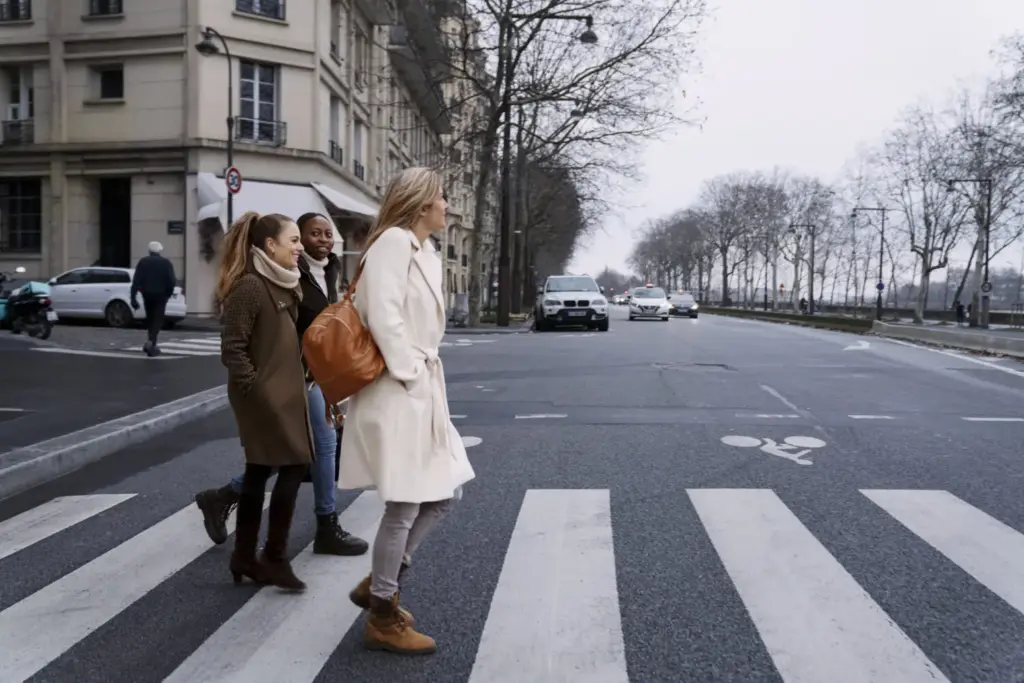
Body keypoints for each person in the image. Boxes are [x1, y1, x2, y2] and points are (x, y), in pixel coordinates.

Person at [340, 167, 475, 654]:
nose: (447, 205)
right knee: (407, 503)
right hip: (398, 388)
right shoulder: (394, 243)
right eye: (441, 197)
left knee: (442, 493)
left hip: (420, 388)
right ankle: (381, 612)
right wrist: (409, 371)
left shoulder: (426, 252)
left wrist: (420, 377)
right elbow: (383, 312)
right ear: (421, 204)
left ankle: (382, 581)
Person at [194, 213, 369, 557]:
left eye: (326, 234)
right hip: (289, 378)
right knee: (306, 450)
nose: (320, 240)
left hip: (312, 373)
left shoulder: (329, 269)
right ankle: (317, 528)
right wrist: (258, 389)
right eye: (307, 236)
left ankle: (228, 499)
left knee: (308, 451)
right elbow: (239, 343)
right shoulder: (284, 276)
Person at [216, 211, 313, 591]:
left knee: (258, 471)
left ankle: (243, 556)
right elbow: (232, 348)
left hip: (287, 392)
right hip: (264, 397)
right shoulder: (252, 286)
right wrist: (256, 388)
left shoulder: (284, 282)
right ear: (269, 246)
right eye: (293, 241)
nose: (299, 246)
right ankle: (273, 558)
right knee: (294, 465)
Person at [130, 241, 177, 357]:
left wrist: (133, 298)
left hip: (147, 294)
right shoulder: (166, 263)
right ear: (160, 250)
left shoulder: (143, 262)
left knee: (150, 319)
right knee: (158, 320)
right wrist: (169, 293)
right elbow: (171, 281)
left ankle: (152, 345)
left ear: (149, 251)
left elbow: (136, 281)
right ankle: (151, 342)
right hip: (161, 295)